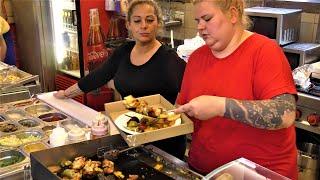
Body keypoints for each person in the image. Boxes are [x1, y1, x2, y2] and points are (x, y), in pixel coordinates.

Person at [175, 0, 297, 179]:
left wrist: (219, 106)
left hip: (258, 175)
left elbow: (284, 113)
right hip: (203, 171)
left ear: (232, 14)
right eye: (197, 21)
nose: (200, 27)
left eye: (207, 19)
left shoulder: (265, 51)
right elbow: (183, 109)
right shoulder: (196, 59)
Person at [54, 0, 187, 160]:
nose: (143, 25)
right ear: (128, 25)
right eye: (137, 21)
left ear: (158, 23)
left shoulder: (169, 59)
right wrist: (66, 93)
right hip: (130, 136)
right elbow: (97, 76)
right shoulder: (123, 51)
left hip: (163, 145)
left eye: (150, 20)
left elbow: (190, 92)